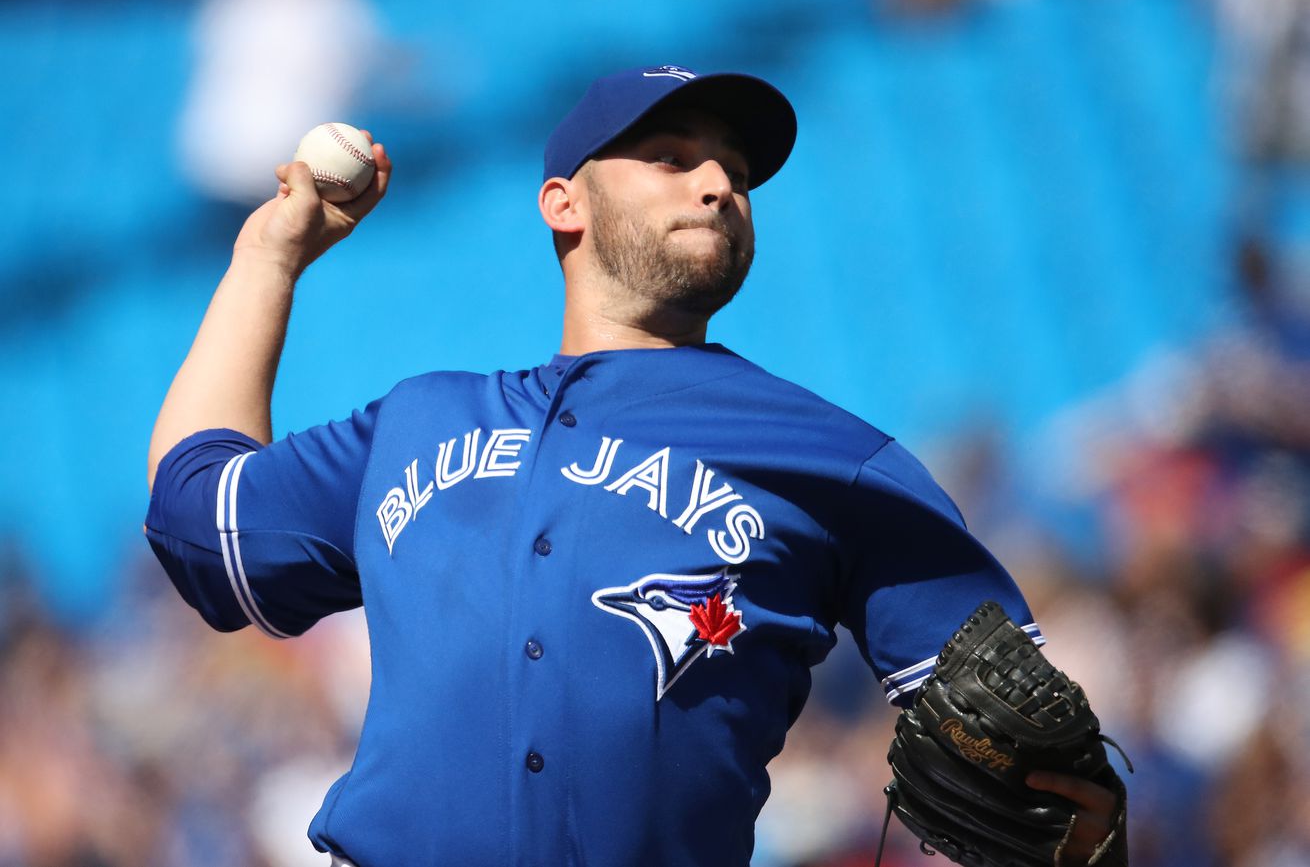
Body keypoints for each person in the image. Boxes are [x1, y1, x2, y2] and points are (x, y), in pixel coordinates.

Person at [145, 64, 1120, 866]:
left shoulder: (835, 457)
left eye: (732, 171)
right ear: (561, 204)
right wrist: (267, 258)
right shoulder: (420, 419)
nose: (716, 185)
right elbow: (198, 514)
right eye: (669, 158)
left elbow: (1028, 763)